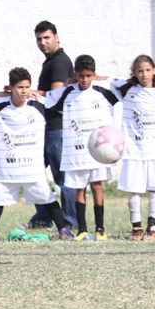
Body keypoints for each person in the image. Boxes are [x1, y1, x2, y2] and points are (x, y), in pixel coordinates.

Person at [0, 68, 71, 241]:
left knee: (48, 197)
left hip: (32, 169)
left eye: (27, 87)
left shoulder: (38, 105)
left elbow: (60, 98)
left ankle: (63, 230)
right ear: (11, 88)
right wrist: (1, 93)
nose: (24, 91)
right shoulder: (0, 107)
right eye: (20, 87)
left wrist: (69, 83)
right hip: (7, 169)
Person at [44, 55, 120, 241]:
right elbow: (46, 98)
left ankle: (100, 229)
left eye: (88, 76)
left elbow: (125, 85)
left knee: (97, 186)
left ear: (93, 74)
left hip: (98, 152)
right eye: (80, 76)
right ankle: (83, 229)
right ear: (75, 75)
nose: (84, 80)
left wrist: (101, 78)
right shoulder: (68, 91)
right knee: (79, 188)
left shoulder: (103, 89)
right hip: (76, 152)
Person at [108, 55, 155, 241]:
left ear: (154, 70)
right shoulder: (127, 89)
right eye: (140, 71)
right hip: (134, 149)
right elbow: (106, 81)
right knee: (134, 190)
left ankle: (152, 226)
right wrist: (74, 79)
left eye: (148, 70)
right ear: (135, 72)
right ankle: (137, 227)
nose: (144, 74)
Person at [28, 21, 77, 230]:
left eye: (47, 38)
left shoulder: (59, 62)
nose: (43, 42)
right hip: (47, 127)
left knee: (62, 177)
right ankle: (43, 217)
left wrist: (26, 92)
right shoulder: (49, 61)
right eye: (39, 39)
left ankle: (70, 222)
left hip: (57, 128)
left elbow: (56, 96)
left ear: (57, 37)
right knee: (34, 172)